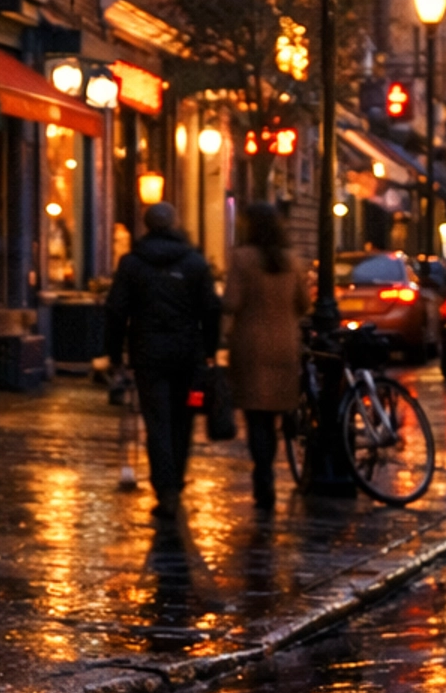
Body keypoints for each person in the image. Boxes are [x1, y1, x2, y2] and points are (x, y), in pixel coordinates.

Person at [104, 200, 220, 522]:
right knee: (183, 420)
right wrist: (209, 350)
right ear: (174, 224)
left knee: (157, 421)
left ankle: (165, 488)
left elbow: (116, 310)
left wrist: (115, 354)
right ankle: (174, 485)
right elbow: (210, 309)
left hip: (148, 352)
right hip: (187, 352)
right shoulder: (195, 263)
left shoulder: (132, 263)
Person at [223, 201, 309, 512]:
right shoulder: (292, 261)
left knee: (256, 417)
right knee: (274, 413)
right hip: (285, 344)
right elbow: (303, 303)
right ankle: (270, 469)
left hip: (252, 345)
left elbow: (232, 302)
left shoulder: (243, 259)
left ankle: (264, 478)